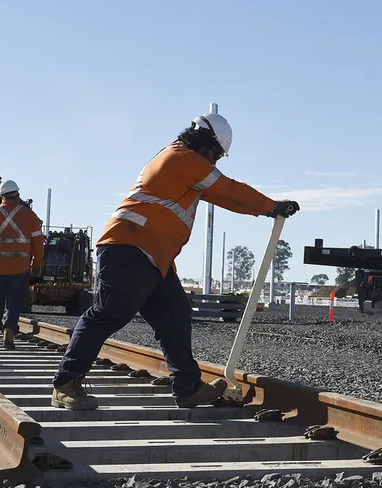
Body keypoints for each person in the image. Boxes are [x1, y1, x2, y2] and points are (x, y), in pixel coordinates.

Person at [50, 111, 300, 411]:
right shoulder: (182, 159)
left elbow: (225, 197)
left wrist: (266, 210)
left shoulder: (186, 167)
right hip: (129, 246)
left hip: (153, 257)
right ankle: (65, 383)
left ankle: (188, 387)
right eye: (217, 155)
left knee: (175, 316)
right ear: (206, 143)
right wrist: (271, 205)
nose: (215, 162)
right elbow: (228, 188)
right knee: (108, 313)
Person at [0, 180, 44, 349]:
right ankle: (9, 333)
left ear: (1, 196)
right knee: (14, 302)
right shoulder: (30, 216)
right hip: (19, 269)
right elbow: (38, 243)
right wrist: (37, 264)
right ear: (18, 195)